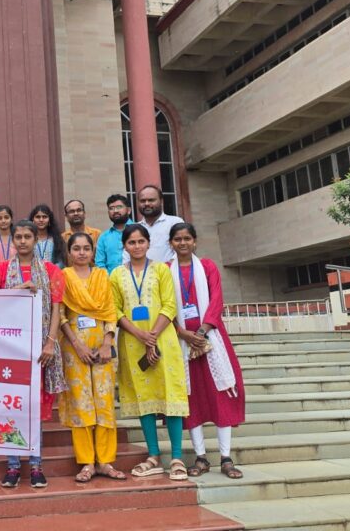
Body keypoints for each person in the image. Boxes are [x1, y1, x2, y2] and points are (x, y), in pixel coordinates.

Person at [0, 220, 67, 488]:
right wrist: (19, 289)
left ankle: (36, 465)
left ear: (35, 240)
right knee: (12, 406)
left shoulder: (52, 270)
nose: (22, 241)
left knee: (34, 409)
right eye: (18, 236)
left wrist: (50, 342)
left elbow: (57, 309)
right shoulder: (0, 270)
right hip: (9, 351)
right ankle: (11, 466)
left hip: (40, 350)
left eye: (27, 236)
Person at [111, 224, 189, 481]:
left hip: (164, 341)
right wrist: (140, 335)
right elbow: (116, 311)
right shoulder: (116, 275)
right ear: (125, 246)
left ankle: (177, 456)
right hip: (133, 344)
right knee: (145, 398)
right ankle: (153, 456)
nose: (136, 246)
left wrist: (153, 335)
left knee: (170, 397)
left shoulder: (161, 271)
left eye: (141, 241)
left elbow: (170, 305)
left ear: (148, 243)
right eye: (131, 242)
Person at [168, 223, 245, 480]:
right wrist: (182, 332)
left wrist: (200, 333)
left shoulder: (208, 267)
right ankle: (200, 457)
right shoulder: (166, 270)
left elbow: (216, 300)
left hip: (211, 339)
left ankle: (226, 457)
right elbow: (165, 306)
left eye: (187, 238)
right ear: (171, 244)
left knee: (220, 395)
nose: (182, 243)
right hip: (180, 344)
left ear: (195, 241)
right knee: (192, 400)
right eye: (177, 239)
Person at [58, 232, 124, 482]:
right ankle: (86, 462)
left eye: (86, 248)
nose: (82, 253)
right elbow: (61, 315)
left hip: (102, 345)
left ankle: (106, 461)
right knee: (81, 403)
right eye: (76, 248)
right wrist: (77, 345)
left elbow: (110, 309)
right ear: (69, 252)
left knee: (104, 402)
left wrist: (108, 342)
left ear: (93, 252)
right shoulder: (63, 276)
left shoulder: (101, 276)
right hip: (74, 348)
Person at [137, 185, 183, 263]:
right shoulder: (135, 228)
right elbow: (127, 256)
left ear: (161, 201)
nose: (146, 203)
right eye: (143, 201)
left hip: (170, 272)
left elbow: (182, 249)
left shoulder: (175, 223)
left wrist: (166, 269)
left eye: (151, 200)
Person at [96, 194, 132, 273]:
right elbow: (100, 263)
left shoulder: (140, 231)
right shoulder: (104, 237)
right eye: (111, 208)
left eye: (119, 207)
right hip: (111, 283)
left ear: (129, 210)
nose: (115, 211)